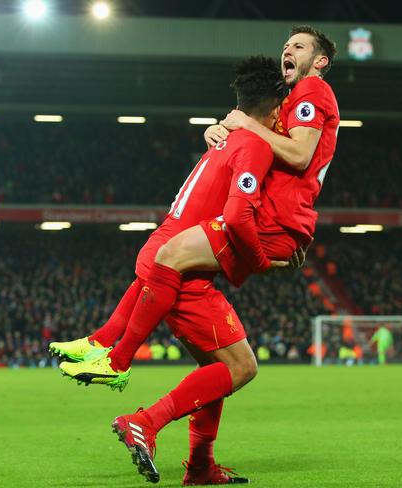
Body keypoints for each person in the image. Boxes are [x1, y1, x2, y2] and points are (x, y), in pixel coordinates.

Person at [54, 25, 339, 386]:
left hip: (274, 222)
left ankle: (117, 360)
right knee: (219, 360)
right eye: (286, 45)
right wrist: (222, 133)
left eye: (299, 46)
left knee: (168, 261)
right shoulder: (289, 105)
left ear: (320, 61)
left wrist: (245, 125)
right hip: (271, 218)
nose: (288, 50)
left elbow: (298, 155)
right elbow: (262, 132)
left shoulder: (313, 89)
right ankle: (106, 349)